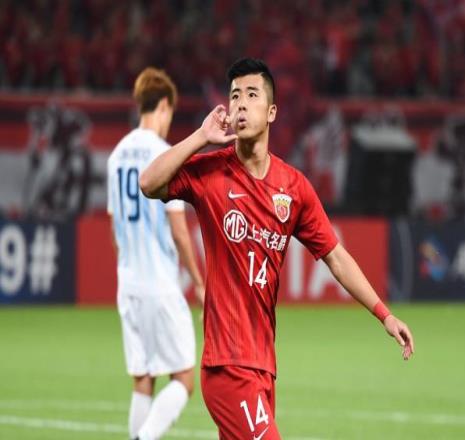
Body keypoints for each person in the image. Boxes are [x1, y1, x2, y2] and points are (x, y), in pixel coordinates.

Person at [139, 58, 414, 439]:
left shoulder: (293, 188)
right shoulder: (210, 173)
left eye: (252, 95)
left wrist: (384, 315)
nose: (241, 104)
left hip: (263, 365)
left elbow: (336, 257)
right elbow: (149, 183)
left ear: (271, 112)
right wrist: (200, 137)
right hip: (228, 364)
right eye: (235, 96)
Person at [107, 67, 205, 440]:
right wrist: (198, 281)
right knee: (184, 377)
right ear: (163, 105)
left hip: (128, 282)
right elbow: (179, 230)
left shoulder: (116, 156)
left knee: (143, 379)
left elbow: (114, 228)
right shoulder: (164, 155)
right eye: (170, 114)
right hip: (160, 283)